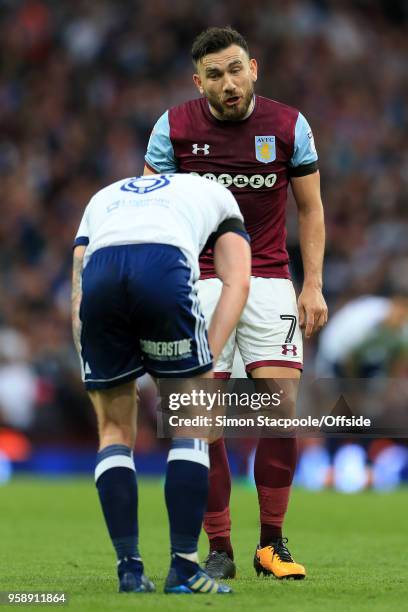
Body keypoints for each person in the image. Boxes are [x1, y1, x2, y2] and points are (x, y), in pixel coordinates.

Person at [144, 26, 328, 580]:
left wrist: (313, 283)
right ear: (197, 81)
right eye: (215, 75)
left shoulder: (289, 126)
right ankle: (219, 546)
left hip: (269, 276)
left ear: (255, 68)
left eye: (236, 69)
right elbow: (151, 209)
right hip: (199, 280)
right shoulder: (172, 128)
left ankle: (271, 543)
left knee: (279, 405)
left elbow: (312, 210)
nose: (228, 83)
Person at [71, 173, 251, 594]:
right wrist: (205, 357)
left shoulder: (104, 193)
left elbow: (78, 290)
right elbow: (237, 281)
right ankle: (185, 568)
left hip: (102, 272)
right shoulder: (217, 193)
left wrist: (93, 362)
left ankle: (129, 570)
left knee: (113, 429)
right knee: (191, 423)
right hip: (163, 262)